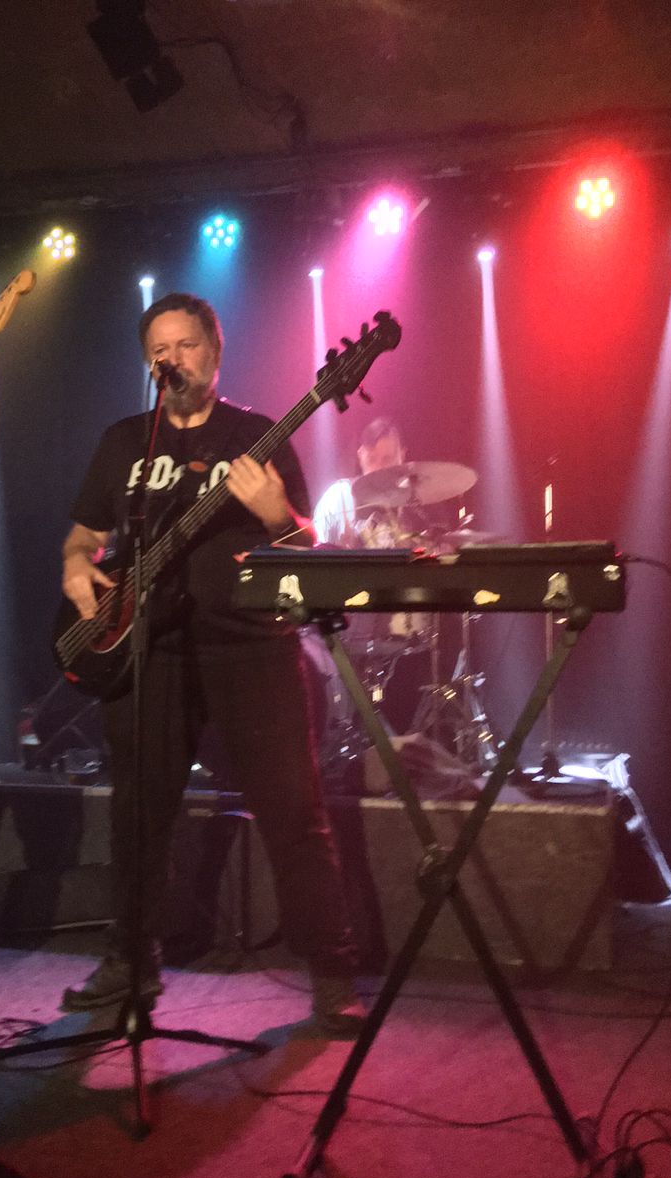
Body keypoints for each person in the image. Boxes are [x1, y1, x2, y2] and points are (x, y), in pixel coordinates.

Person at [60, 292, 366, 1035]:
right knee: (139, 815)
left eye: (187, 345)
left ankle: (331, 971)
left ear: (215, 353)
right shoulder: (124, 441)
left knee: (293, 812)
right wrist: (75, 569)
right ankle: (131, 960)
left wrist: (275, 515)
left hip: (251, 647)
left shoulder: (257, 436)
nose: (173, 360)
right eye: (159, 350)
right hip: (149, 651)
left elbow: (305, 549)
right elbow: (83, 536)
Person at [311, 416, 406, 548]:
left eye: (387, 459)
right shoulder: (339, 497)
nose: (379, 468)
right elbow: (320, 553)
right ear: (360, 455)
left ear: (402, 456)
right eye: (371, 459)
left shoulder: (416, 501)